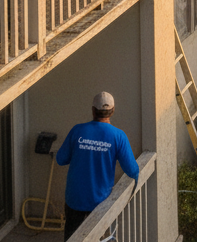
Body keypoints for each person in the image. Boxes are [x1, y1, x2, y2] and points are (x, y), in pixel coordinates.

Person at [57, 91, 139, 240]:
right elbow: (132, 170)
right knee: (100, 237)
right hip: (100, 202)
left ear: (93, 110)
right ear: (113, 111)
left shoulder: (77, 130)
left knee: (72, 237)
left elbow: (60, 159)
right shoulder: (118, 136)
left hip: (75, 198)